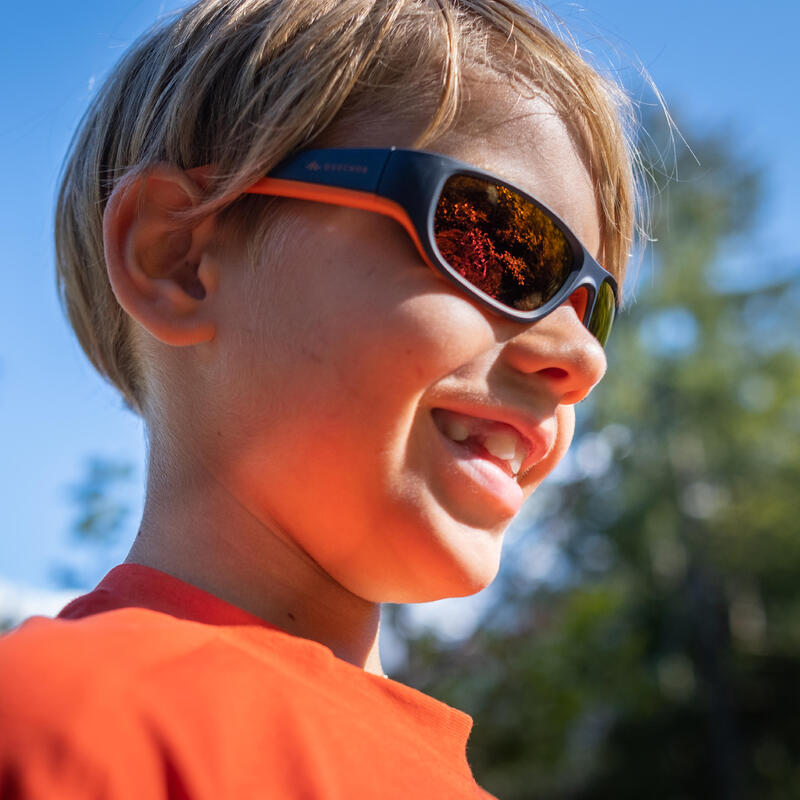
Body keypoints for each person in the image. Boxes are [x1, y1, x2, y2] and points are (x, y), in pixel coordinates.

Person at [0, 0, 641, 796]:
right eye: (498, 243)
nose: (583, 358)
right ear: (178, 258)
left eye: (595, 308)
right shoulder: (56, 730)